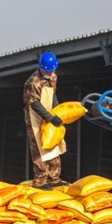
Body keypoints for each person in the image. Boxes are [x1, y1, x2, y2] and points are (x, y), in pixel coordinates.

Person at [23, 51, 66, 188]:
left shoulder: (53, 77)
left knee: (54, 144)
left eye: (52, 70)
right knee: (39, 148)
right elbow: (34, 104)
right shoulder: (33, 82)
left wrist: (58, 111)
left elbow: (52, 95)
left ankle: (54, 178)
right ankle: (40, 181)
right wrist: (50, 117)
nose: (50, 73)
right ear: (40, 68)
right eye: (47, 71)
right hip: (35, 117)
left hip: (49, 114)